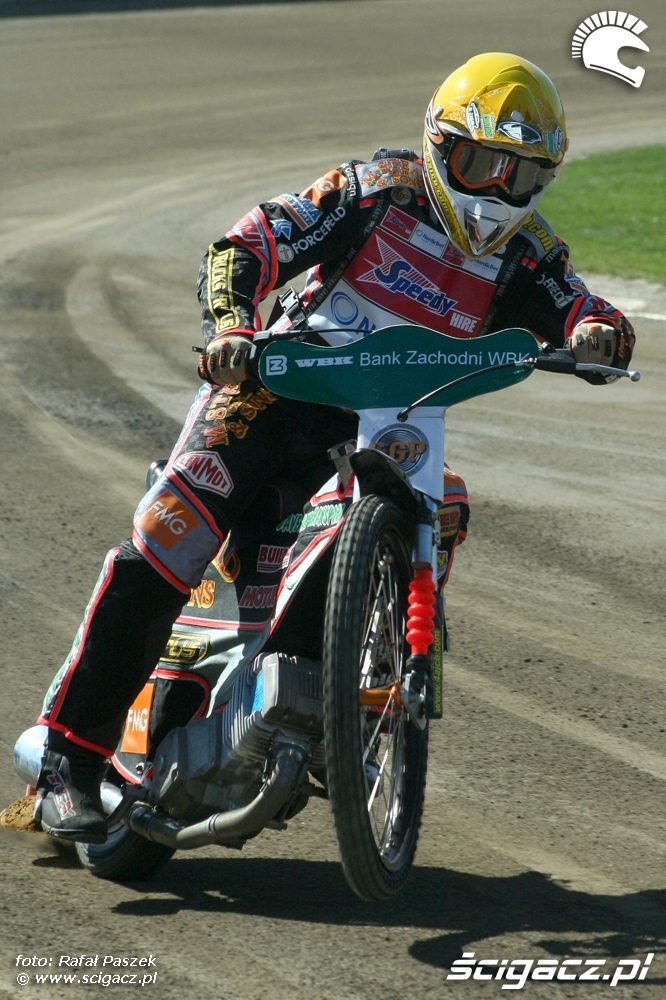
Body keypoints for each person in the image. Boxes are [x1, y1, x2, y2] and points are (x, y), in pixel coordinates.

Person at [33, 52, 635, 842]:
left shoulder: (529, 253)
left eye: (519, 175)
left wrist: (597, 335)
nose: (496, 191)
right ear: (439, 144)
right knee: (167, 535)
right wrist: (233, 325)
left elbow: (585, 310)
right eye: (481, 164)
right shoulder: (377, 189)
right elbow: (247, 243)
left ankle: (338, 694)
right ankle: (68, 763)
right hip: (270, 396)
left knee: (444, 503)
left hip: (381, 429)